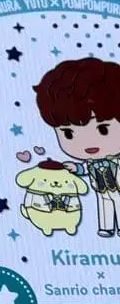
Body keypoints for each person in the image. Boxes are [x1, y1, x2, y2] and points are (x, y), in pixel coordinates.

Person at [34, 57, 120, 237]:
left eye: (103, 129)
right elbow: (86, 168)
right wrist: (76, 168)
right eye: (68, 133)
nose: (88, 142)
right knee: (104, 203)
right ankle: (106, 228)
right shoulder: (92, 162)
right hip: (101, 188)